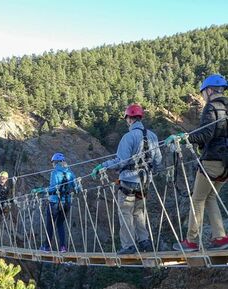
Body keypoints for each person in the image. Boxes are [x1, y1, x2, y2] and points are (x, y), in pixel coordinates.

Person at [165, 74, 228, 251]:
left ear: (209, 90)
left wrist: (185, 138)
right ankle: (220, 238)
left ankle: (191, 241)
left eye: (203, 93)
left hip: (212, 160)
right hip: (226, 164)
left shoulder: (211, 107)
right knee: (210, 196)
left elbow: (207, 133)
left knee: (197, 199)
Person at [92, 104, 162, 255]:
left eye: (127, 119)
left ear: (130, 119)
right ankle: (144, 241)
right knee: (138, 212)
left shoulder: (128, 137)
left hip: (128, 181)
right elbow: (157, 160)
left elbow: (120, 161)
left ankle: (128, 245)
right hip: (144, 182)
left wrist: (102, 166)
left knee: (126, 213)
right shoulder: (153, 136)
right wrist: (152, 173)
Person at [32, 152, 78, 253]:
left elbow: (52, 189)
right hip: (67, 203)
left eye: (53, 162)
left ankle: (46, 247)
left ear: (55, 162)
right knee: (60, 224)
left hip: (55, 203)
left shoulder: (55, 172)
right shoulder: (70, 172)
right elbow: (77, 188)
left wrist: (40, 190)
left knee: (50, 224)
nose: (52, 164)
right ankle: (63, 247)